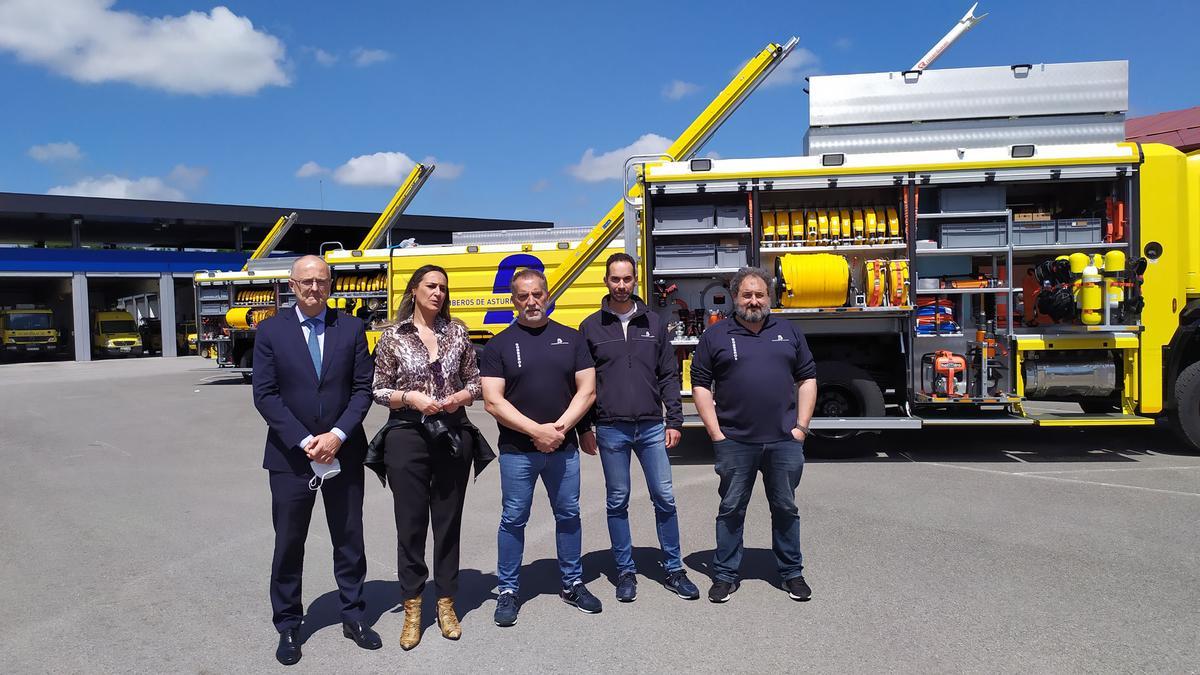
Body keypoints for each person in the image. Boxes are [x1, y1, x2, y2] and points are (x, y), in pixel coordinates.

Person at [251, 255, 379, 665]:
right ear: (292, 285)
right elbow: (265, 394)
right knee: (289, 542)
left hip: (344, 450)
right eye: (306, 282)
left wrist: (337, 435)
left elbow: (363, 389)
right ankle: (288, 624)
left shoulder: (352, 328)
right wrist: (308, 441)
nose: (314, 288)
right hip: (291, 456)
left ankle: (353, 615)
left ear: (331, 284)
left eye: (321, 281)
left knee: (348, 536)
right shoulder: (271, 331)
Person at [368, 265, 484, 650]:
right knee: (411, 525)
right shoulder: (392, 338)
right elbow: (378, 389)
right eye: (431, 286)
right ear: (414, 290)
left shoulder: (458, 333)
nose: (438, 293)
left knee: (448, 522)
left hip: (452, 433)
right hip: (406, 436)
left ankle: (446, 603)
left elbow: (475, 382)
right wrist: (410, 398)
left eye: (443, 288)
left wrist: (459, 398)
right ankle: (413, 606)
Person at [690, 266, 818, 604]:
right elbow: (700, 385)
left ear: (769, 297)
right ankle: (725, 575)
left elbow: (807, 380)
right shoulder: (715, 336)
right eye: (746, 294)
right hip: (734, 441)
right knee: (731, 509)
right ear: (735, 297)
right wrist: (716, 433)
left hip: (783, 441)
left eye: (759, 294)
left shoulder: (789, 331)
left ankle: (792, 573)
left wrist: (801, 428)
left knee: (786, 508)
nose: (753, 300)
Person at [480, 268, 599, 627]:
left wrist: (558, 430)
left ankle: (572, 582)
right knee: (514, 519)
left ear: (547, 295)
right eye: (523, 296)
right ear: (513, 300)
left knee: (568, 515)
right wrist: (538, 431)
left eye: (538, 294)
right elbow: (492, 401)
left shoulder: (572, 338)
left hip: (562, 449)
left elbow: (587, 390)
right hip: (518, 451)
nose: (531, 301)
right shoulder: (498, 344)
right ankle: (508, 590)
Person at [578, 253, 700, 602]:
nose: (621, 285)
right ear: (606, 281)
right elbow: (583, 384)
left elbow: (668, 375)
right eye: (615, 279)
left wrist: (674, 419)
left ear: (635, 281)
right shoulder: (590, 327)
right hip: (611, 428)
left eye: (627, 279)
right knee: (617, 501)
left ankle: (674, 569)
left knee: (664, 497)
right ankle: (625, 571)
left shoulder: (654, 322)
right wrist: (585, 427)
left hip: (650, 427)